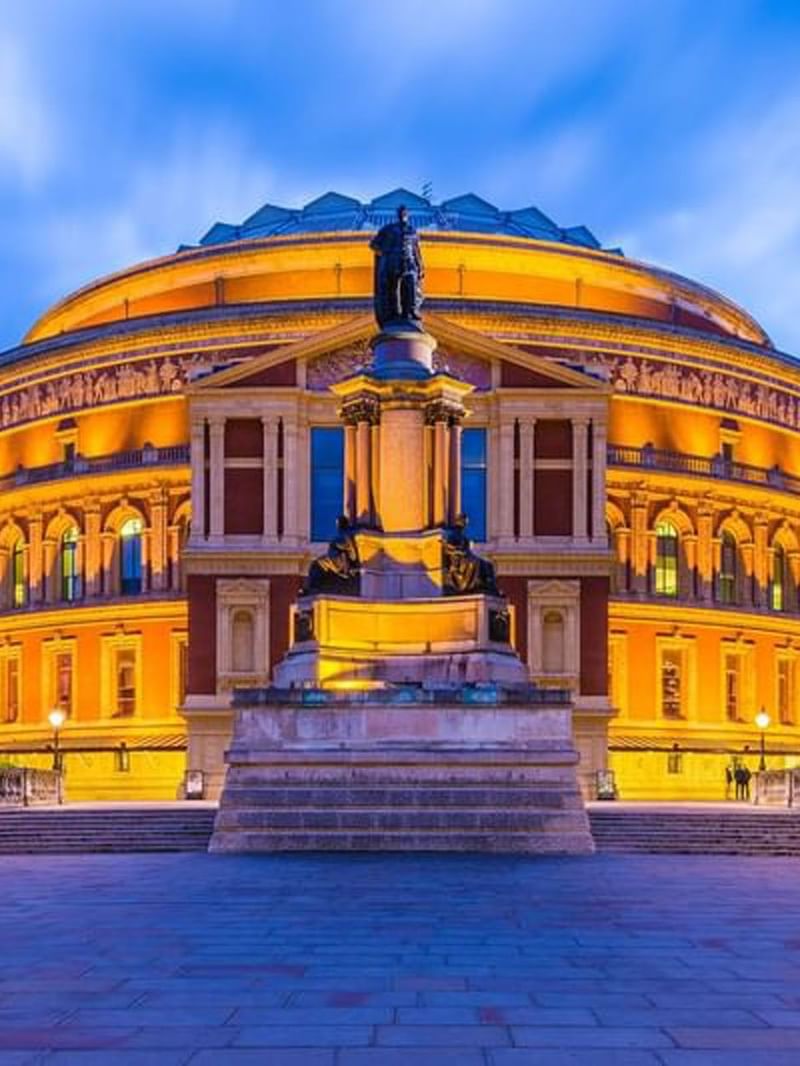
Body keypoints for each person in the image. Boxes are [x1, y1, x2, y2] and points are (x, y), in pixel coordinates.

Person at [369, 205, 424, 327]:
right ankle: (392, 314)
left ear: (407, 215)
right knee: (391, 289)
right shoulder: (388, 229)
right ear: (397, 215)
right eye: (400, 212)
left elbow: (416, 251)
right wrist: (386, 254)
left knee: (410, 287)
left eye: (404, 213)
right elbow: (373, 245)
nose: (402, 215)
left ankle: (410, 313)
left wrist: (420, 267)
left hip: (409, 262)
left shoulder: (412, 230)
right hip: (392, 262)